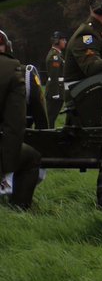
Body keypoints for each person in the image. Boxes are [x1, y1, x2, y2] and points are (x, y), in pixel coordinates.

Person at [0, 29, 42, 209]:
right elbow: (15, 124)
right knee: (32, 158)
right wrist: (5, 168)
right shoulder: (11, 69)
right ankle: (19, 210)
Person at [43, 32, 67, 124]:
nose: (65, 42)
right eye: (63, 40)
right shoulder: (54, 56)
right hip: (55, 91)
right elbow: (54, 76)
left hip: (59, 90)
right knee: (50, 119)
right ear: (57, 41)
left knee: (52, 118)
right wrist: (55, 93)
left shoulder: (58, 55)